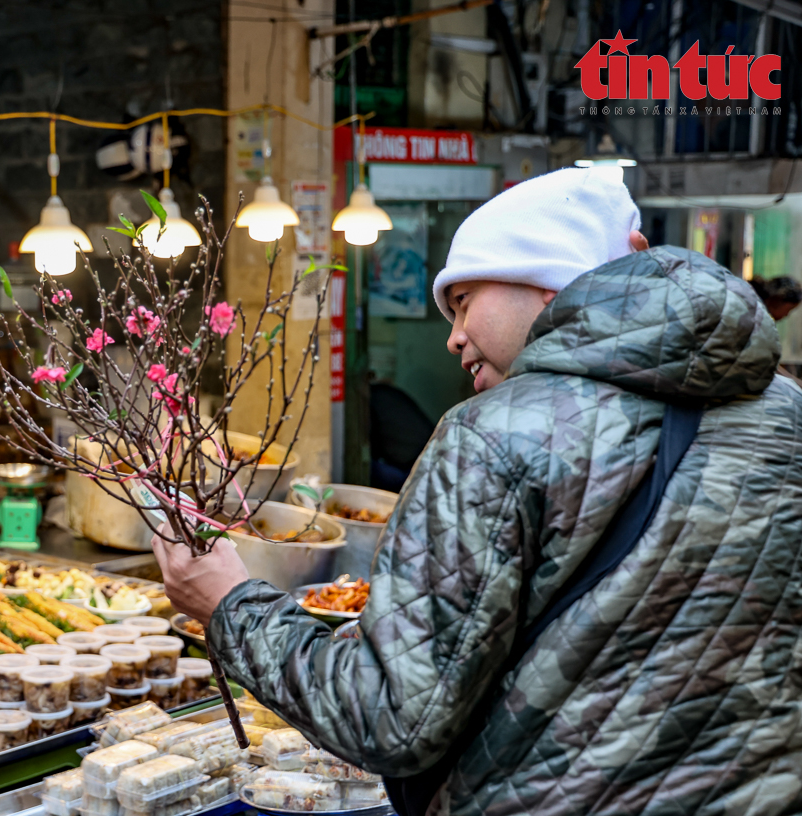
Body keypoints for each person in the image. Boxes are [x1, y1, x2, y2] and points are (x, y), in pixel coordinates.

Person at [154, 168, 802, 815]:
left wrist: (229, 605)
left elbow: (392, 722)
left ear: (546, 276)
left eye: (463, 301)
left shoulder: (493, 434)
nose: (453, 335)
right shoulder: (786, 412)